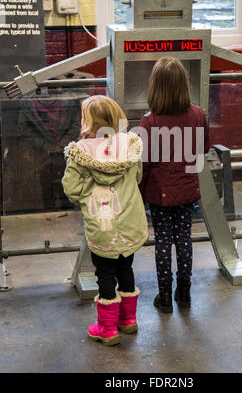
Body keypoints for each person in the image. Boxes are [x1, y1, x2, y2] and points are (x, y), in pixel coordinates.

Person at [62, 95, 148, 346]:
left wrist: (88, 199)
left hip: (101, 227)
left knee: (105, 273)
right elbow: (138, 177)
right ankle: (129, 320)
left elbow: (72, 189)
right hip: (131, 224)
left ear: (87, 122)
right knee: (126, 268)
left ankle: (107, 328)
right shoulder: (131, 146)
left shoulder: (79, 152)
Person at [139, 57, 209, 313]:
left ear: (155, 86)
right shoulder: (198, 114)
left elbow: (145, 163)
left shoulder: (149, 121)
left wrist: (138, 191)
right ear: (184, 85)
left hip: (159, 192)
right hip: (188, 188)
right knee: (184, 238)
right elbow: (203, 150)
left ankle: (165, 295)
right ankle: (185, 291)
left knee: (163, 241)